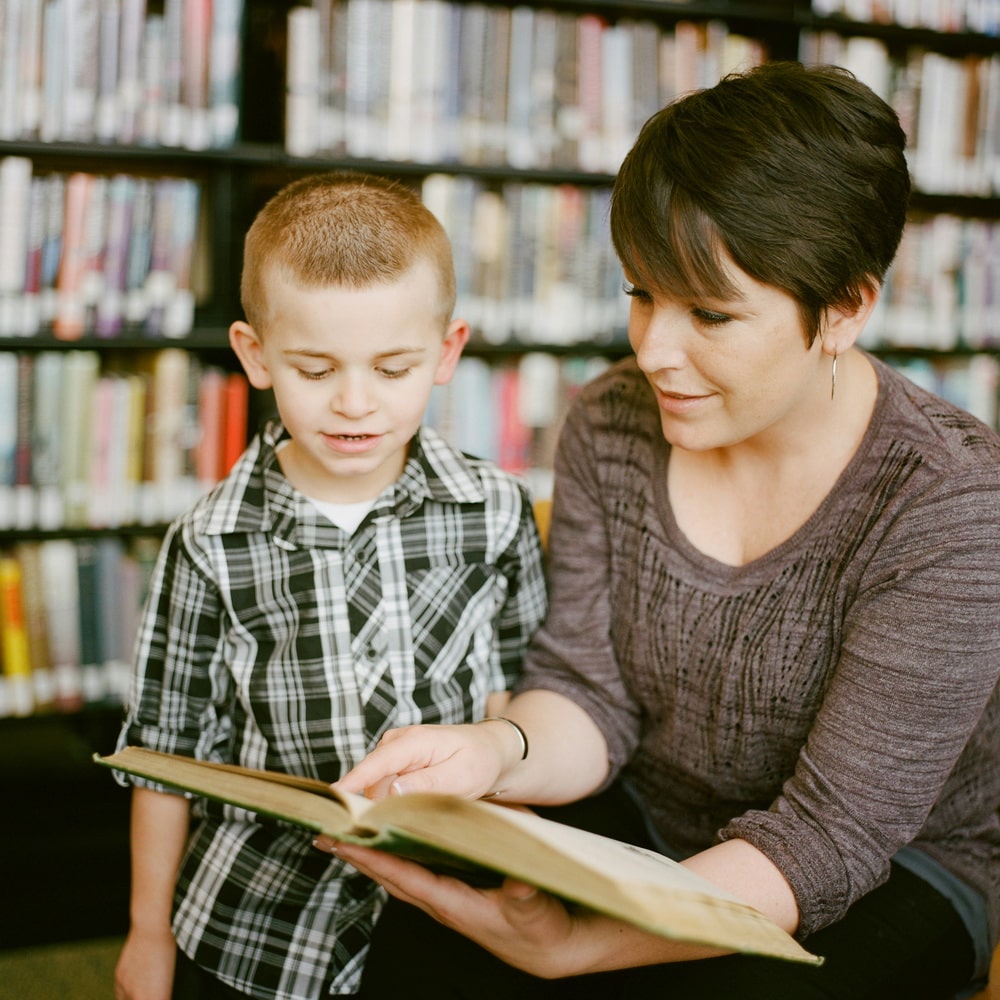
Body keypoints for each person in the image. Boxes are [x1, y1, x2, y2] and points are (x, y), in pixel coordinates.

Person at [317, 63, 1000, 999]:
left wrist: (581, 944)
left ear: (845, 309)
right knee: (419, 940)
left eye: (711, 314)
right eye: (642, 294)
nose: (652, 351)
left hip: (898, 867)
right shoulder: (610, 420)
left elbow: (829, 840)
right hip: (651, 809)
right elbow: (589, 694)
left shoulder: (950, 503)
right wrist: (492, 753)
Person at [111, 172, 548, 1000]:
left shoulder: (493, 509)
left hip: (451, 909)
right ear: (256, 356)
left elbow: (520, 692)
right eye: (316, 369)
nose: (355, 404)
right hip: (260, 925)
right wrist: (145, 933)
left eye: (393, 368)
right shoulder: (209, 542)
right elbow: (161, 757)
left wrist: (523, 853)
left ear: (448, 352)